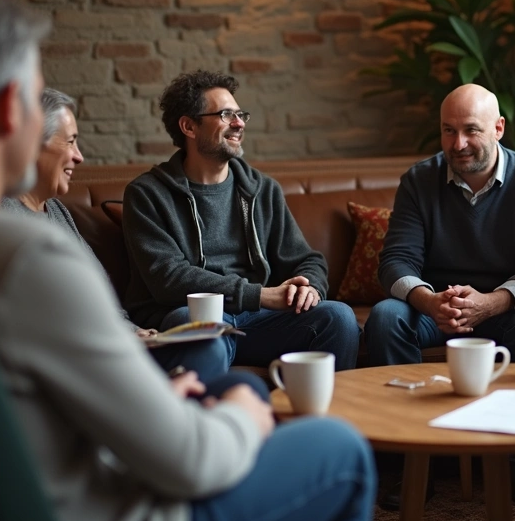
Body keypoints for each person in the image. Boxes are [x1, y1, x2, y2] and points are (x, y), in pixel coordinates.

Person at [0, 0, 376, 521]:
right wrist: (244, 415)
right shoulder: (29, 260)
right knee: (337, 446)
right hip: (110, 510)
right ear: (8, 109)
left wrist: (154, 399)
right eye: (37, 97)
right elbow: (190, 461)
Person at [365, 83, 515, 508]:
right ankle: (415, 460)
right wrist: (429, 300)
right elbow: (395, 262)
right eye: (448, 131)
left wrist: (493, 301)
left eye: (471, 130)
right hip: (435, 308)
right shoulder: (419, 179)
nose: (459, 144)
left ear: (499, 128)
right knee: (385, 316)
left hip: (504, 306)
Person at [123, 70, 360, 371]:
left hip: (258, 321)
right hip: (190, 315)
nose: (238, 124)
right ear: (188, 126)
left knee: (338, 317)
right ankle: (212, 417)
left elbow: (306, 259)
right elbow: (168, 278)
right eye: (225, 115)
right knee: (196, 325)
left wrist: (308, 288)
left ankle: (329, 415)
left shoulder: (262, 189)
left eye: (240, 115)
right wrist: (259, 295)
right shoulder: (147, 194)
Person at [1, 88, 228, 380]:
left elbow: (105, 302)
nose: (79, 156)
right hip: (84, 362)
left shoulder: (56, 211)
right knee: (222, 365)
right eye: (70, 142)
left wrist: (134, 332)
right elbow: (38, 321)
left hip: (116, 349)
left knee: (220, 360)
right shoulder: (4, 221)